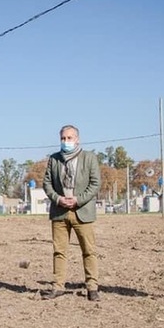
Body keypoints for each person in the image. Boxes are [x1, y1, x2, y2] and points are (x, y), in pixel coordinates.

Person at [42, 125, 101, 301]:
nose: (66, 141)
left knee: (89, 250)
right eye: (63, 138)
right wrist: (58, 199)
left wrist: (78, 199)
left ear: (77, 139)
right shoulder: (53, 159)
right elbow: (47, 183)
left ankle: (92, 287)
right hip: (60, 212)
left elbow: (95, 183)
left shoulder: (89, 158)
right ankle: (58, 286)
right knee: (59, 251)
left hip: (82, 212)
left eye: (69, 138)